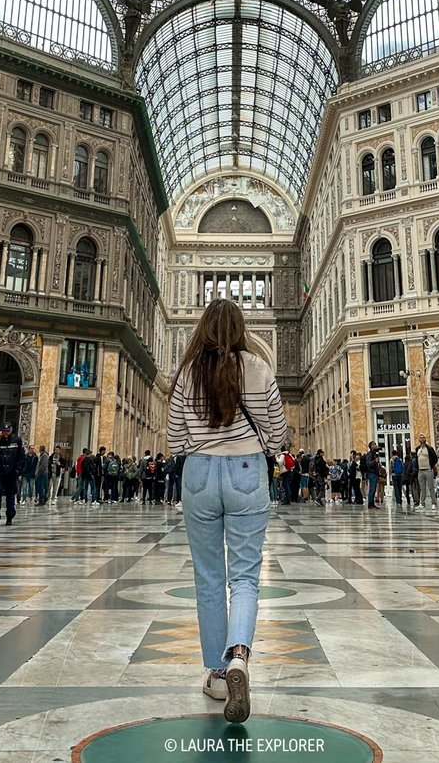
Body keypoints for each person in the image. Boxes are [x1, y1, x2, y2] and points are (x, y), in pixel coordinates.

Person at [167, 298, 287, 724]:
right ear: (240, 328)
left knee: (209, 577)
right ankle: (239, 656)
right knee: (245, 575)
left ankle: (217, 675)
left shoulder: (187, 372)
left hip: (198, 472)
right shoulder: (257, 367)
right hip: (247, 471)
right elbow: (277, 428)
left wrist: (201, 446)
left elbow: (174, 435)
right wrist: (264, 450)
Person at [0, 423, 25, 526]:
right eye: (4, 431)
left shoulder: (17, 440)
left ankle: (10, 516)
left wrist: (18, 471)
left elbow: (21, 457)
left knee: (10, 496)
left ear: (11, 431)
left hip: (12, 472)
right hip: (0, 472)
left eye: (8, 431)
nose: (6, 433)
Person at [413, 435, 439, 510]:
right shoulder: (417, 448)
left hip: (428, 469)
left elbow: (435, 458)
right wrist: (417, 467)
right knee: (422, 488)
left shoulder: (429, 448)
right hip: (420, 470)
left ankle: (434, 503)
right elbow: (416, 459)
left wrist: (431, 465)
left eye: (423, 437)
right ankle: (422, 503)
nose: (421, 438)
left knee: (431, 487)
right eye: (420, 437)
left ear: (425, 439)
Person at [364, 442, 382, 509]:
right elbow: (368, 464)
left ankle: (372, 503)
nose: (376, 445)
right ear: (371, 446)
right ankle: (370, 504)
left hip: (375, 473)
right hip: (371, 473)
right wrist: (375, 461)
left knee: (374, 489)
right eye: (374, 444)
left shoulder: (375, 453)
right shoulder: (369, 454)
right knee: (372, 489)